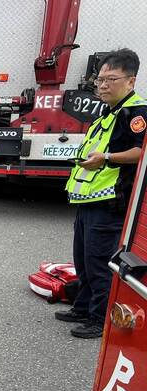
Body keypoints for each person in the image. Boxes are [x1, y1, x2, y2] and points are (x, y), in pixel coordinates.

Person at [57, 48, 147, 339]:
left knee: (99, 263)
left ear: (131, 81)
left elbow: (140, 152)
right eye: (100, 79)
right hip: (89, 201)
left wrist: (106, 158)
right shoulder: (110, 112)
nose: (103, 85)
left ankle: (100, 319)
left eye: (111, 79)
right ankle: (82, 307)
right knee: (83, 260)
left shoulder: (137, 113)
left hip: (110, 202)